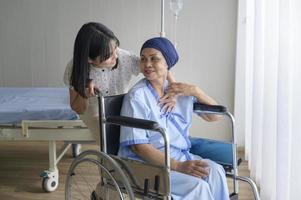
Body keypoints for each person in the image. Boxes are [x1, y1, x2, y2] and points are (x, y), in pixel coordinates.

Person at [118, 37, 230, 199]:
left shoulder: (178, 91)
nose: (147, 64)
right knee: (197, 186)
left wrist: (196, 91)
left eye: (154, 59)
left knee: (215, 171)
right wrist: (178, 166)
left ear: (167, 64)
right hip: (146, 164)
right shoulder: (137, 97)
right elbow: (139, 147)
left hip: (179, 156)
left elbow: (214, 117)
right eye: (143, 59)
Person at [63, 22, 175, 142]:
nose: (116, 56)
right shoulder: (74, 68)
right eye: (109, 56)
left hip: (122, 107)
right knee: (111, 141)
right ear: (89, 59)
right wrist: (84, 93)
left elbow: (157, 68)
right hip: (95, 113)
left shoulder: (124, 58)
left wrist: (172, 90)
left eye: (116, 48)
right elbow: (78, 109)